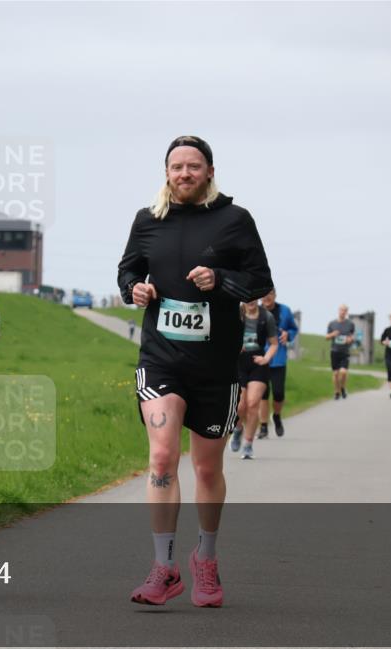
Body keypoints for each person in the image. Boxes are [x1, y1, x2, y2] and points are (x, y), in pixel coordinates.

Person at [117, 136, 273, 607]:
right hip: (162, 359)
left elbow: (261, 281)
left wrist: (220, 279)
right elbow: (126, 272)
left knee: (206, 467)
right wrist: (135, 291)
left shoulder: (234, 220)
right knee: (162, 458)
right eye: (176, 166)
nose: (184, 174)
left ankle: (205, 558)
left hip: (216, 367)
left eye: (193, 166)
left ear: (208, 171)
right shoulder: (149, 220)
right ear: (166, 172)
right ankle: (164, 568)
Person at [229, 301, 278, 460]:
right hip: (238, 363)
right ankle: (237, 430)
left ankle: (248, 444)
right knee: (240, 405)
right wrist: (234, 344)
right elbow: (223, 334)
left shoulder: (266, 316)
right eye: (247, 298)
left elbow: (273, 344)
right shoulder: (235, 313)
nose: (250, 301)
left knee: (253, 403)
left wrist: (266, 358)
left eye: (254, 298)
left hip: (258, 363)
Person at [257, 290, 298, 438]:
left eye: (269, 294)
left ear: (275, 295)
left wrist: (288, 335)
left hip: (278, 359)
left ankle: (277, 416)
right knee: (263, 394)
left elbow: (294, 328)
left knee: (279, 393)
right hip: (260, 359)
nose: (266, 297)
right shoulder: (256, 311)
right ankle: (263, 427)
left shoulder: (285, 311)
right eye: (264, 294)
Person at [326, 305, 355, 400]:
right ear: (338, 311)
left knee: (343, 372)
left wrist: (349, 340)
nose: (342, 312)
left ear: (347, 312)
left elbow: (352, 337)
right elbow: (326, 337)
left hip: (345, 351)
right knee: (335, 374)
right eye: (341, 310)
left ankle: (342, 387)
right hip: (334, 351)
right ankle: (337, 391)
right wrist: (333, 334)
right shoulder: (332, 323)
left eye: (345, 310)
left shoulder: (350, 324)